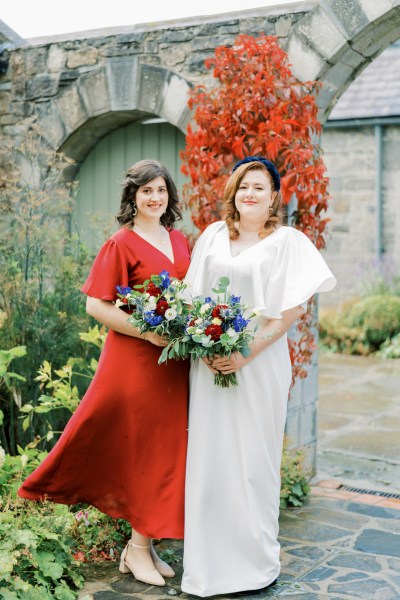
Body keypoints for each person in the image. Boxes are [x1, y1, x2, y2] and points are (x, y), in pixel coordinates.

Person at [18, 159, 191, 587]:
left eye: (161, 190)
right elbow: (96, 305)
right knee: (144, 451)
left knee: (165, 452)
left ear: (170, 196)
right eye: (146, 190)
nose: (155, 197)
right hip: (136, 361)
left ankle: (142, 547)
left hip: (175, 364)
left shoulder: (180, 240)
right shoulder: (121, 243)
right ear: (132, 196)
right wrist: (148, 333)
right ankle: (136, 549)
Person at [181, 156, 336, 597]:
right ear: (234, 192)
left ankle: (253, 564)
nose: (250, 193)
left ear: (273, 198)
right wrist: (203, 345)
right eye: (243, 186)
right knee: (210, 459)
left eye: (260, 187)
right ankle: (206, 567)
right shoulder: (212, 234)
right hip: (209, 364)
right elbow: (192, 298)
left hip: (259, 361)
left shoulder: (289, 241)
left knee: (253, 459)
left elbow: (290, 312)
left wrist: (245, 352)